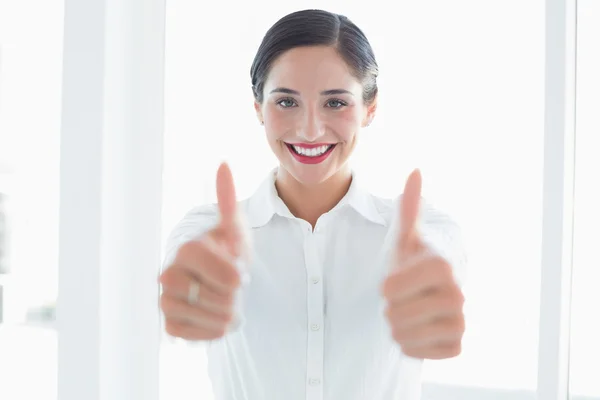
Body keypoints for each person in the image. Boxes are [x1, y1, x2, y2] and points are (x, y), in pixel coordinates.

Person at [159, 8, 467, 400]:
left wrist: (431, 281)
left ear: (370, 109)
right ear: (259, 109)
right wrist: (191, 289)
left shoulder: (420, 230)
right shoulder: (207, 230)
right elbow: (183, 271)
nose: (309, 129)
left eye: (335, 103)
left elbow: (445, 257)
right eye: (286, 102)